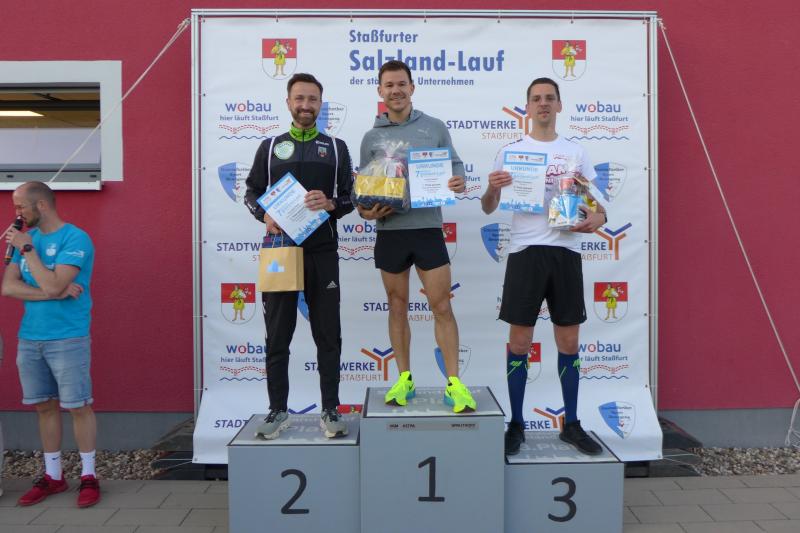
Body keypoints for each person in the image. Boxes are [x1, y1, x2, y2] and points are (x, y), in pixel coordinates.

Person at [481, 78, 608, 455]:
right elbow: (488, 207)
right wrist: (493, 187)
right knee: (520, 342)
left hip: (565, 251)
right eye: (536, 99)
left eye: (549, 98)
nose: (543, 104)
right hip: (525, 252)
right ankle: (516, 424)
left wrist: (598, 219)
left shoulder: (575, 152)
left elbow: (597, 206)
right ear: (527, 107)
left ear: (559, 105)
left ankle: (572, 424)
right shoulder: (511, 152)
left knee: (568, 342)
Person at [357, 60, 476, 413]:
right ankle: (404, 379)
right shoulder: (371, 138)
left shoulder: (434, 127)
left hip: (427, 230)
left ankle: (454, 383)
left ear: (412, 87)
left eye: (401, 84)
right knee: (397, 306)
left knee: (442, 305)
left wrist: (459, 181)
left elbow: (455, 166)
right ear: (380, 91)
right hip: (390, 232)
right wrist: (365, 211)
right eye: (389, 85)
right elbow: (363, 189)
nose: (396, 90)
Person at [244, 73, 354, 439]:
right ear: (289, 102)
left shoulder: (336, 147)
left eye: (312, 99)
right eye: (300, 98)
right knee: (277, 336)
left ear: (321, 104)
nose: (306, 105)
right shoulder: (270, 147)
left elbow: (351, 197)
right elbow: (251, 193)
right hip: (281, 251)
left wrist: (332, 203)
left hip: (322, 252)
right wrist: (265, 215)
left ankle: (330, 409)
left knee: (328, 334)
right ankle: (278, 410)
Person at [2, 181, 100, 506]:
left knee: (77, 406)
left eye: (20, 207)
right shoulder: (25, 239)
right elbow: (8, 287)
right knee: (44, 406)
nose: (16, 214)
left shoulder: (74, 238)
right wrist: (53, 292)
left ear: (41, 205)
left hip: (67, 336)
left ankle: (89, 476)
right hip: (30, 338)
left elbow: (55, 284)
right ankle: (54, 476)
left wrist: (29, 251)